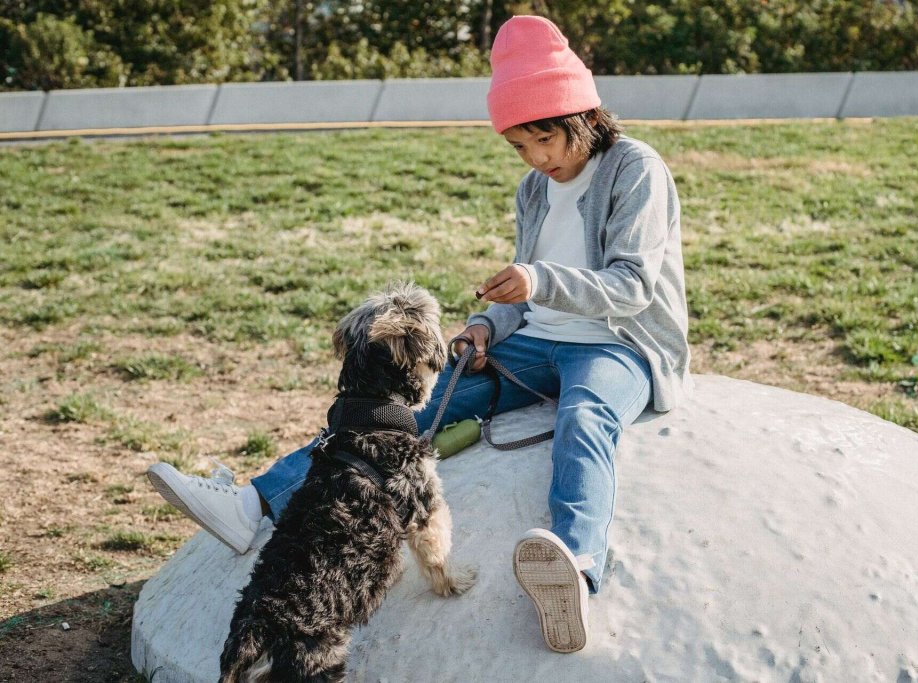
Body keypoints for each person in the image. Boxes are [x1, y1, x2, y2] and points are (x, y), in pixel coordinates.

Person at [147, 14, 691, 654]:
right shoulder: (533, 191)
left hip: (618, 343)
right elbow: (526, 294)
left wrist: (537, 281)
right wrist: (488, 325)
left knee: (585, 418)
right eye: (519, 147)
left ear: (580, 119)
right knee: (402, 413)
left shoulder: (635, 170)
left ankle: (573, 566)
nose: (535, 159)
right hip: (533, 343)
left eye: (542, 141)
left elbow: (632, 285)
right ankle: (253, 505)